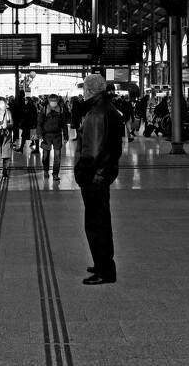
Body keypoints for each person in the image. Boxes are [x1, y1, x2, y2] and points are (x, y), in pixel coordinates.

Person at [74, 73, 123, 285]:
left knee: (96, 224)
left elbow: (90, 154)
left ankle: (105, 270)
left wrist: (81, 175)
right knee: (102, 220)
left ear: (88, 91)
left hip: (95, 176)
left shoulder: (95, 113)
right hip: (106, 172)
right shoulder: (111, 109)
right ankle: (102, 263)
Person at [36, 93, 69, 181]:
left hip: (57, 135)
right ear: (49, 101)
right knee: (45, 156)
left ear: (57, 101)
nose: (53, 103)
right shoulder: (44, 109)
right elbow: (39, 123)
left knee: (57, 156)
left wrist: (66, 136)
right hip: (46, 135)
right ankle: (45, 170)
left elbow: (64, 124)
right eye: (52, 101)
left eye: (55, 101)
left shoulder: (61, 110)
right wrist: (40, 135)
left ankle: (55, 173)